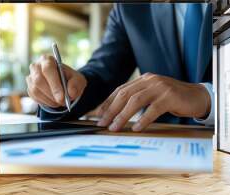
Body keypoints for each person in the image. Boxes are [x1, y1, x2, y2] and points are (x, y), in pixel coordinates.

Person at [26, 3, 213, 132]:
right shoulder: (128, 8)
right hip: (161, 143)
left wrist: (209, 97)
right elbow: (101, 73)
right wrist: (63, 88)